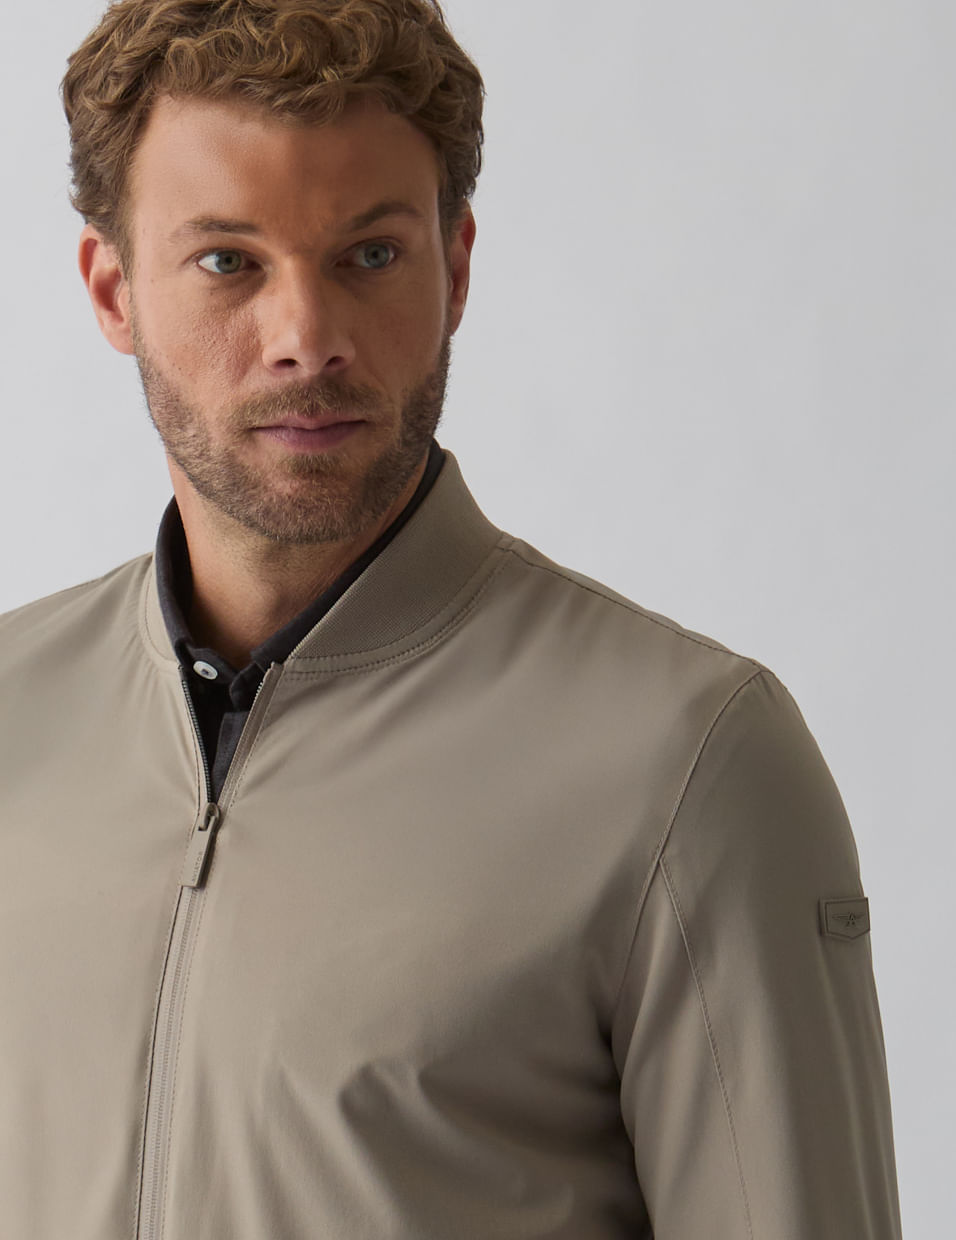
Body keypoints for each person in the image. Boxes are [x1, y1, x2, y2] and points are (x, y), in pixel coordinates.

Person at [0, 1, 902, 1236]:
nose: (306, 338)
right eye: (227, 262)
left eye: (369, 255)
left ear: (456, 266)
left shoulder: (685, 764)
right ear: (113, 291)